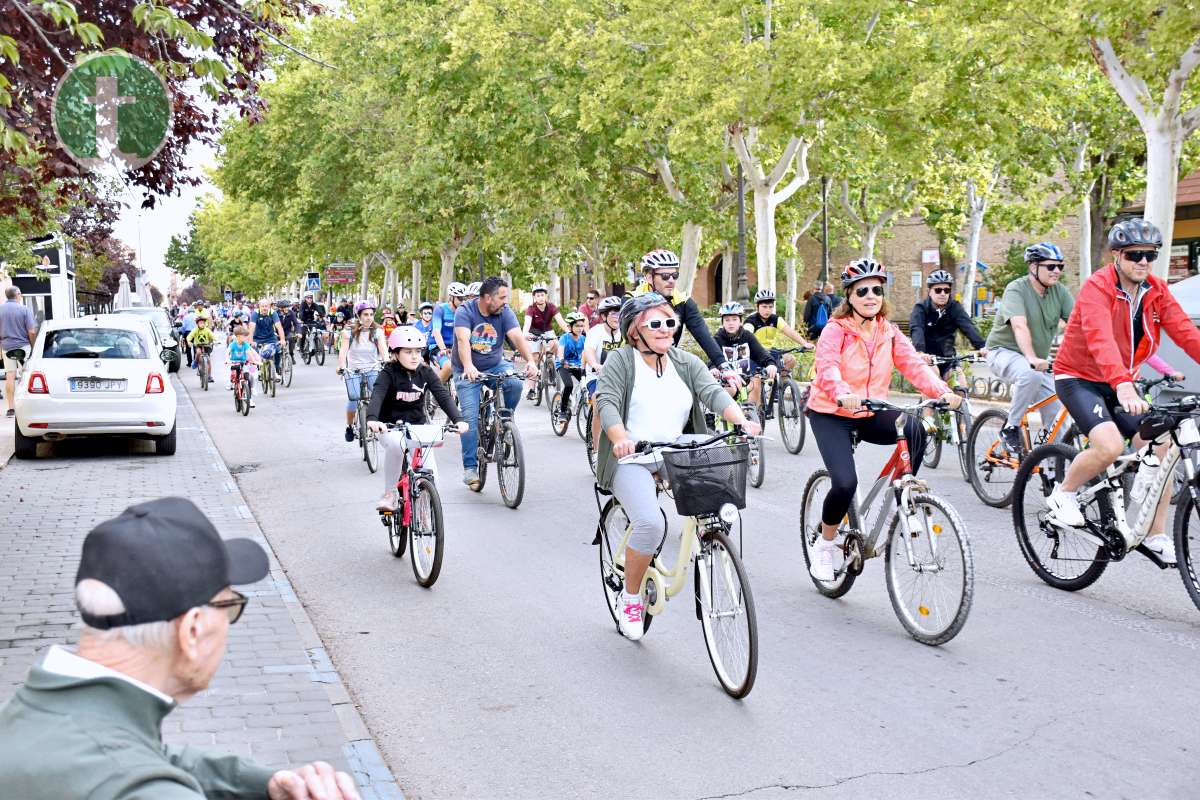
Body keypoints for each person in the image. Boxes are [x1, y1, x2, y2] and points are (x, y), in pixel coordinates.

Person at [0, 497, 360, 799]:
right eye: (229, 606)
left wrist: (261, 785)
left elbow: (150, 755)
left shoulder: (30, 720)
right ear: (191, 630)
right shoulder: (140, 787)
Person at [595, 293, 762, 640]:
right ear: (634, 332)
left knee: (718, 501)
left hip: (676, 450)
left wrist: (740, 419)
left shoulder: (685, 362)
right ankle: (630, 597)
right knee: (651, 523)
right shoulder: (621, 362)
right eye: (655, 323)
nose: (666, 329)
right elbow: (607, 402)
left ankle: (709, 541)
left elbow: (712, 393)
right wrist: (620, 437)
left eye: (670, 322)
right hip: (633, 457)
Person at [1044, 218, 1200, 563]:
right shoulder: (1097, 287)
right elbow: (1100, 340)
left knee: (1161, 448)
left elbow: (1187, 334)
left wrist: (1125, 383)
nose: (1143, 261)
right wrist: (1124, 385)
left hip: (1121, 380)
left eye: (1150, 255)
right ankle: (1064, 493)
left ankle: (1155, 534)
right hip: (1079, 377)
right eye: (1135, 254)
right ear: (1117, 255)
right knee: (1110, 446)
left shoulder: (1156, 290)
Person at [806, 259, 960, 582]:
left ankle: (897, 499)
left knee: (917, 428)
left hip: (870, 410)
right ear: (849, 296)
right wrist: (841, 392)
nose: (870, 295)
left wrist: (942, 392)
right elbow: (828, 367)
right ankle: (825, 542)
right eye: (862, 290)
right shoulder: (836, 331)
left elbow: (914, 366)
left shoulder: (888, 331)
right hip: (832, 412)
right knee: (845, 483)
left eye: (877, 289)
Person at [984, 242, 1075, 455]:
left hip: (1036, 363)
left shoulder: (1060, 292)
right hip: (1003, 352)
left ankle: (1053, 472)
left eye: (1060, 267)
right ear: (1033, 267)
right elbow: (1019, 325)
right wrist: (1032, 357)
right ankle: (1010, 427)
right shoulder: (1016, 289)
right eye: (1050, 267)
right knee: (1030, 373)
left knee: (1058, 408)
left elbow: (1079, 326)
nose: (1056, 271)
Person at [366, 327, 468, 511]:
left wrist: (458, 419)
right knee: (397, 445)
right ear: (396, 354)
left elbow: (443, 396)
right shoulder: (388, 373)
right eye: (408, 352)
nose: (414, 356)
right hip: (388, 428)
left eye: (418, 352)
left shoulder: (425, 372)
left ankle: (423, 514)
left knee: (432, 477)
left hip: (417, 427)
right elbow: (377, 396)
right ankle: (390, 494)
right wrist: (373, 419)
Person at [453, 276, 537, 489]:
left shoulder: (504, 312)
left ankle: (505, 420)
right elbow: (463, 340)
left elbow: (517, 337)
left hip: (494, 364)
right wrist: (469, 366)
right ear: (487, 298)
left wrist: (531, 361)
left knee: (514, 384)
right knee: (469, 419)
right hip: (466, 369)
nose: (505, 301)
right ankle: (470, 467)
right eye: (502, 297)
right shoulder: (465, 311)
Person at [633, 249, 726, 368]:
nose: (671, 280)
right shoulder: (632, 300)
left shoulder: (683, 301)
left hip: (665, 362)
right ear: (649, 277)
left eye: (674, 275)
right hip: (636, 362)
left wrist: (723, 365)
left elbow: (703, 336)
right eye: (665, 276)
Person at [909, 269, 987, 379]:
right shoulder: (921, 308)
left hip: (948, 358)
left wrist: (982, 346)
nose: (942, 294)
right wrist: (920, 352)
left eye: (946, 290)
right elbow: (917, 329)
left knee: (960, 385)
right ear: (929, 291)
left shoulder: (954, 307)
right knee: (933, 381)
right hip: (927, 358)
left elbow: (968, 327)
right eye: (938, 290)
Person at [337, 302, 388, 442]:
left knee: (378, 398)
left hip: (373, 369)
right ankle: (349, 426)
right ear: (358, 316)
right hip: (354, 371)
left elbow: (383, 349)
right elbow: (343, 351)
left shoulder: (378, 331)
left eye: (371, 314)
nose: (369, 318)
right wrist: (341, 366)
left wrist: (387, 360)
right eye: (365, 314)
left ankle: (378, 423)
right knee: (353, 400)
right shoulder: (349, 332)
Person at [712, 302, 777, 407]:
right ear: (722, 322)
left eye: (734, 319)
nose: (730, 323)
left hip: (745, 380)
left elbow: (760, 353)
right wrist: (714, 368)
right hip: (727, 381)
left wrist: (770, 363)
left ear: (740, 321)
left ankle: (752, 415)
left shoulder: (747, 336)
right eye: (727, 320)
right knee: (731, 390)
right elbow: (713, 358)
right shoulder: (717, 338)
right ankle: (713, 413)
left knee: (756, 381)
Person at [583, 296, 625, 446]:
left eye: (620, 313)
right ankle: (596, 448)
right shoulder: (595, 332)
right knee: (598, 401)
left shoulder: (624, 332)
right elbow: (589, 351)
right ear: (603, 316)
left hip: (619, 376)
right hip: (596, 375)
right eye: (613, 313)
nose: (617, 317)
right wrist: (594, 364)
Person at [742, 289, 812, 372]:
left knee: (790, 360)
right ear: (757, 306)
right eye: (764, 307)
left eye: (770, 307)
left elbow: (790, 332)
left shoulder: (775, 319)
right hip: (756, 355)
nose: (768, 310)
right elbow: (746, 335)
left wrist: (804, 343)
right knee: (757, 382)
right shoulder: (751, 321)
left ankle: (782, 383)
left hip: (770, 353)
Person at [522, 283, 569, 399]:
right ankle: (532, 389)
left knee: (556, 344)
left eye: (542, 295)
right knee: (535, 358)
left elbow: (560, 321)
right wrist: (525, 334)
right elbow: (527, 323)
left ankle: (551, 365)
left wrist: (569, 331)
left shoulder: (552, 307)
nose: (540, 297)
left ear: (546, 296)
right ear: (534, 297)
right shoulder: (531, 309)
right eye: (538, 295)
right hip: (533, 333)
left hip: (547, 331)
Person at [1, 286, 37, 418]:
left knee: (10, 376)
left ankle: (11, 409)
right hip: (23, 347)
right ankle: (25, 407)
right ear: (17, 295)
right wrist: (33, 346)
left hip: (7, 347)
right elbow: (32, 331)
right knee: (25, 376)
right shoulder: (24, 309)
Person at [554, 311, 588, 418]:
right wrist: (562, 360)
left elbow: (588, 352)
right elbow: (560, 351)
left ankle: (583, 402)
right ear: (570, 327)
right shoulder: (565, 338)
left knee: (586, 383)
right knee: (569, 385)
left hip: (577, 365)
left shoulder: (583, 339)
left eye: (582, 326)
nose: (580, 328)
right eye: (577, 326)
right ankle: (562, 411)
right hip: (564, 365)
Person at [431, 283, 468, 382]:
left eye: (465, 298)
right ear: (452, 297)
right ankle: (436, 391)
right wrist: (443, 348)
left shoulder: (465, 311)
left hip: (457, 347)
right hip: (438, 347)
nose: (463, 301)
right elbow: (436, 331)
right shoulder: (440, 309)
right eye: (460, 298)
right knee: (449, 366)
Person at [249, 298, 286, 377]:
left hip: (270, 337)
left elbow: (279, 327)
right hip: (257, 338)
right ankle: (257, 369)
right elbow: (251, 327)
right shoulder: (255, 313)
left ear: (269, 306)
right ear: (259, 306)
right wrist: (251, 341)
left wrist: (282, 340)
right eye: (262, 306)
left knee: (277, 350)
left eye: (266, 306)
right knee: (253, 352)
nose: (264, 308)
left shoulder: (273, 313)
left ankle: (276, 369)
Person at [227, 324, 260, 404]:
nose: (246, 338)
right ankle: (231, 382)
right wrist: (227, 360)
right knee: (234, 374)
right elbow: (227, 352)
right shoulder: (233, 344)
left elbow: (249, 353)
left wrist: (253, 361)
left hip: (244, 363)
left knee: (248, 377)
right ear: (238, 336)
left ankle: (250, 398)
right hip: (234, 362)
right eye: (244, 336)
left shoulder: (245, 344)